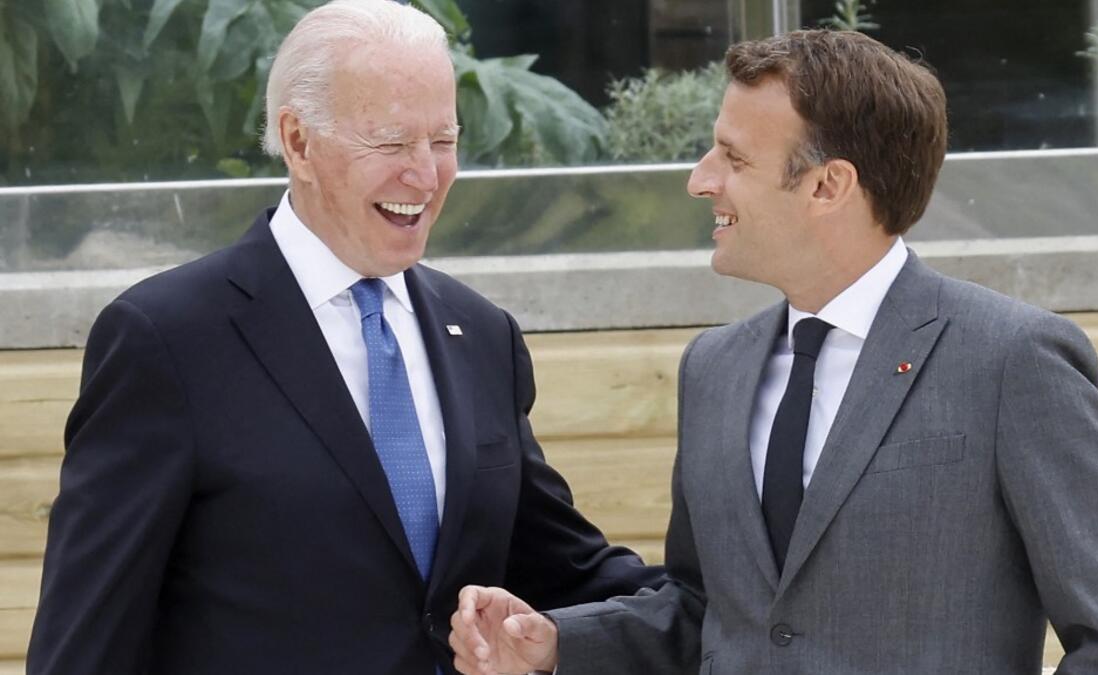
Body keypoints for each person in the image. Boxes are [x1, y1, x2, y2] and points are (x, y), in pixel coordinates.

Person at [448, 29, 1098, 675]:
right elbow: (703, 610)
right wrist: (557, 642)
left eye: (733, 158)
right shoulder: (714, 368)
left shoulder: (1013, 359)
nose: (701, 179)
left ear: (828, 185)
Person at [26, 1, 663, 673]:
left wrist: (714, 603)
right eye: (391, 143)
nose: (426, 175)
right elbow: (86, 640)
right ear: (298, 142)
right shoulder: (167, 339)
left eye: (443, 141)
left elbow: (567, 569)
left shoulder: (482, 334)